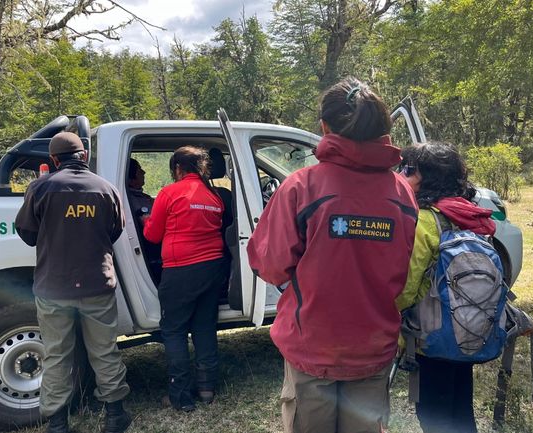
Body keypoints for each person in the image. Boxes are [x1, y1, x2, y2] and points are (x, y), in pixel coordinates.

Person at [247, 77, 418, 433]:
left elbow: (270, 265)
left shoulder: (301, 187)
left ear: (325, 128)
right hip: (373, 346)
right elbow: (404, 263)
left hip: (313, 348)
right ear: (382, 130)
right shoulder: (402, 192)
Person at [15, 132, 132, 433]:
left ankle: (57, 423)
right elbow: (115, 230)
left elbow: (27, 234)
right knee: (104, 351)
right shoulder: (106, 188)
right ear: (85, 156)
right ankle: (115, 416)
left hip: (54, 287)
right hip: (97, 284)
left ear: (54, 160)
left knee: (57, 355)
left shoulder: (40, 188)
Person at [395, 142, 496, 433]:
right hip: (470, 328)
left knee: (433, 416)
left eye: (408, 169)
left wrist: (391, 316)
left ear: (425, 177)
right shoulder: (471, 215)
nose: (401, 175)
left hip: (431, 336)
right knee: (460, 411)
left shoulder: (424, 221)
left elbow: (407, 287)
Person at [143, 146, 227, 412]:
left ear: (178, 168)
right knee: (204, 327)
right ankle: (207, 389)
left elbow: (152, 235)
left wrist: (147, 221)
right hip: (212, 268)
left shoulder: (169, 193)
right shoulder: (215, 196)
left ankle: (180, 396)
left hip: (180, 270)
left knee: (174, 331)